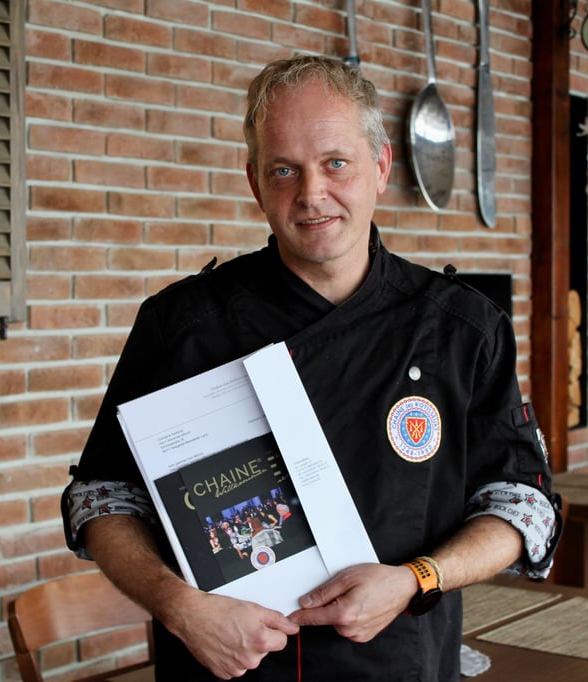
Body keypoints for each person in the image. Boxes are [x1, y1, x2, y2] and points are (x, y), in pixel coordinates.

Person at [63, 54, 561, 681]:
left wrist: (417, 579)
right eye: (283, 171)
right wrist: (180, 608)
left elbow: (523, 504)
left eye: (335, 164)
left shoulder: (462, 327)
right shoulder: (182, 324)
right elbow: (102, 498)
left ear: (380, 168)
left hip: (397, 663)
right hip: (224, 667)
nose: (311, 194)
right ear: (254, 184)